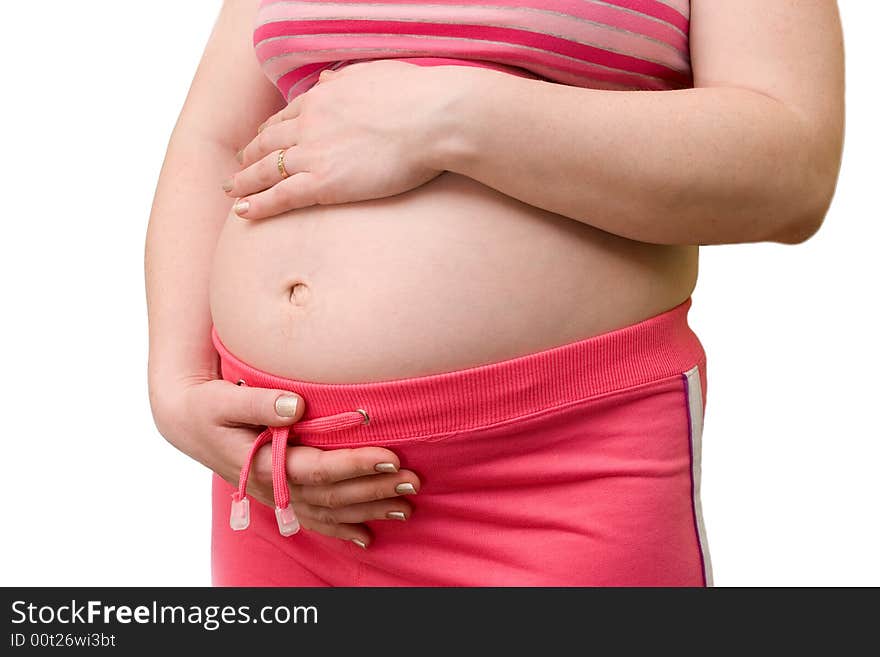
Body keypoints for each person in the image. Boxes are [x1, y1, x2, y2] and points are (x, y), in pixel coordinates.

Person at [145, 0, 845, 586]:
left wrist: (455, 116)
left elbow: (792, 171)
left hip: (552, 481)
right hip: (285, 487)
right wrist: (178, 388)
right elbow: (217, 137)